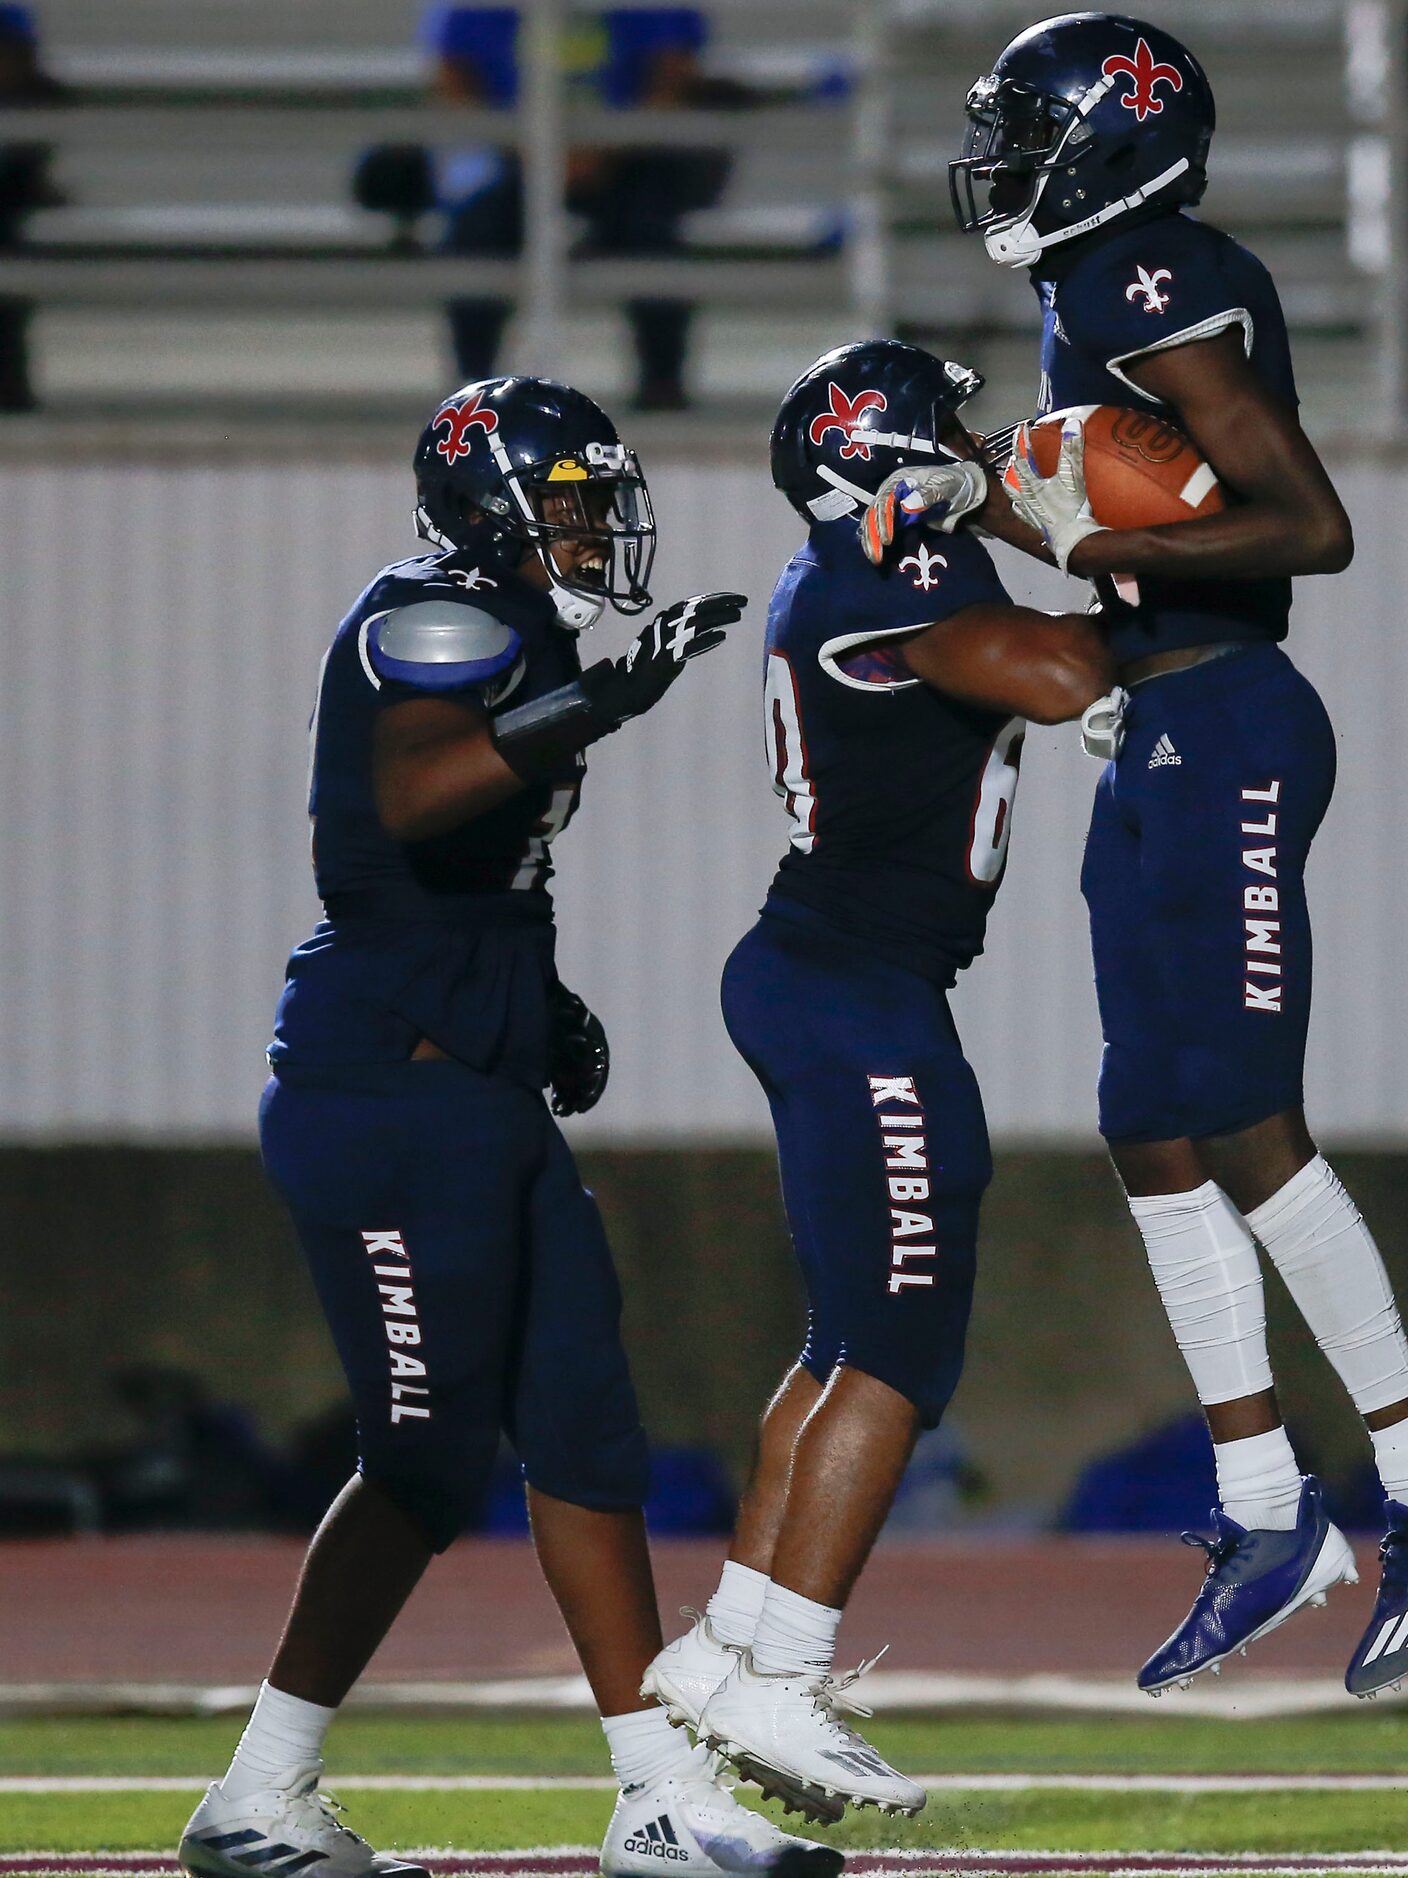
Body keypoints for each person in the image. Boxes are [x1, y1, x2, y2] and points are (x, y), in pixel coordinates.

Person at [871, 9, 1408, 1698]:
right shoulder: (1091, 287)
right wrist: (985, 501)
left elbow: (1306, 523)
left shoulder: (1136, 276)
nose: (1005, 163)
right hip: (1159, 709)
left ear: (1114, 135)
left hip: (1228, 714)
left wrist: (1069, 521)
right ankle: (1262, 1501)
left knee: (1239, 1114)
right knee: (1146, 1119)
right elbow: (1131, 537)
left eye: (1030, 129)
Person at [178, 378, 834, 1878]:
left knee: (588, 1426)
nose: (597, 525)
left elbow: (477, 868)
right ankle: (258, 1791)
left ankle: (653, 1794)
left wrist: (540, 1002)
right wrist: (601, 697)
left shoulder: (517, 627)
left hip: (476, 1078)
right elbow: (413, 800)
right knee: (421, 1456)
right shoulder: (434, 607)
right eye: (572, 496)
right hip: (385, 1094)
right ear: (492, 496)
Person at [637, 340, 1114, 1821]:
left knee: (848, 1340)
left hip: (837, 976)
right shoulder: (882, 578)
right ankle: (786, 1673)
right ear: (882, 445)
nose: (972, 439)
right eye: (945, 424)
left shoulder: (865, 568)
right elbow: (1059, 671)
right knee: (901, 1353)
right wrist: (1130, 568)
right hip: (853, 991)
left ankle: (733, 1645)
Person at [425, 6, 733, 409]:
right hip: (513, 158)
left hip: (627, 157)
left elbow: (674, 72)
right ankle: (474, 390)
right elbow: (453, 75)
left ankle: (663, 383)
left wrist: (604, 146)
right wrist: (530, 148)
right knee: (475, 231)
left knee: (650, 230)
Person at [0, 3, 69, 413]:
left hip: (11, 214)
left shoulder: (42, 96)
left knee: (10, 307)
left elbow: (31, 166)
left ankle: (11, 389)